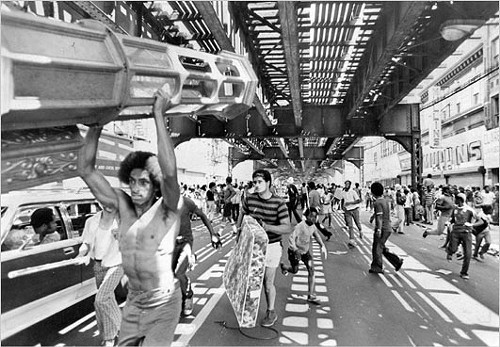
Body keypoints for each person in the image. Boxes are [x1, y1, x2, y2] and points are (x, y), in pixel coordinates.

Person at [78, 85, 182, 346]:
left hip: (163, 302)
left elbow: (170, 173)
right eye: (132, 182)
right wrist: (97, 125)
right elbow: (86, 170)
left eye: (144, 183)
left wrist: (159, 114)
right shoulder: (122, 205)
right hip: (135, 302)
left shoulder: (167, 209)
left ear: (155, 185)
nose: (136, 189)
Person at [236, 169, 291, 327]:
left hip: (272, 246)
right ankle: (248, 311)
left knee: (267, 283)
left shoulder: (279, 203)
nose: (257, 185)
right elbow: (243, 214)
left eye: (260, 182)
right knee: (251, 281)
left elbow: (287, 227)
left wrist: (267, 227)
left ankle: (271, 311)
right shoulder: (250, 199)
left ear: (268, 183)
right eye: (255, 182)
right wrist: (239, 233)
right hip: (252, 246)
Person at [77, 208, 123, 346]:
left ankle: (115, 333)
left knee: (101, 299)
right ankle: (113, 333)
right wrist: (81, 255)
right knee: (108, 300)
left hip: (117, 264)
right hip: (98, 265)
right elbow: (86, 243)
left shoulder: (124, 220)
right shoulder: (91, 221)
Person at [174, 196, 221, 317]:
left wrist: (213, 234)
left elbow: (203, 215)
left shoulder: (186, 202)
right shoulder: (159, 204)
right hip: (169, 244)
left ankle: (188, 295)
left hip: (185, 241)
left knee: (179, 273)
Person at [280, 207, 327, 304]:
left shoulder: (313, 226)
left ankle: (310, 295)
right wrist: (295, 249)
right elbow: (291, 238)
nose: (313, 219)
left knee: (311, 270)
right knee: (295, 270)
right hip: (294, 252)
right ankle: (284, 267)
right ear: (306, 216)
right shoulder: (300, 226)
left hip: (305, 252)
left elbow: (316, 235)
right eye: (311, 216)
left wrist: (322, 245)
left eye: (315, 216)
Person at [369, 182, 403, 274]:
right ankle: (396, 261)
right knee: (381, 247)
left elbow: (379, 217)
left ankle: (377, 267)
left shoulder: (377, 202)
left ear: (373, 192)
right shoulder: (384, 201)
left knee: (377, 248)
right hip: (387, 227)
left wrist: (379, 229)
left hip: (382, 228)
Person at [446, 193, 478, 280]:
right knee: (453, 249)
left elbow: (478, 219)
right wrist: (449, 223)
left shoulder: (469, 210)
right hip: (456, 232)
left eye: (456, 199)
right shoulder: (455, 209)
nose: (455, 201)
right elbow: (452, 219)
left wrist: (471, 225)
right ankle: (450, 251)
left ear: (459, 200)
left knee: (468, 254)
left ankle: (464, 272)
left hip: (466, 233)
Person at [341, 180, 363, 247]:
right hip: (347, 211)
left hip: (355, 209)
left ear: (350, 185)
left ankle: (360, 230)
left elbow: (358, 200)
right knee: (350, 226)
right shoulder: (343, 192)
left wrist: (350, 203)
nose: (346, 185)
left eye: (348, 184)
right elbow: (342, 200)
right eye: (345, 184)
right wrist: (342, 207)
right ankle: (352, 240)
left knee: (357, 222)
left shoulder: (353, 192)